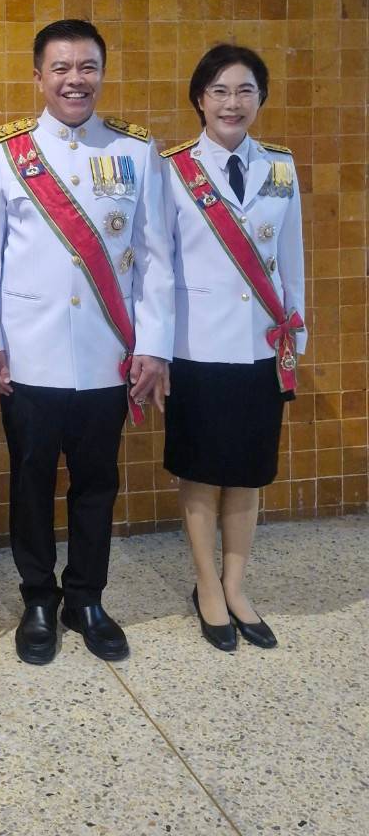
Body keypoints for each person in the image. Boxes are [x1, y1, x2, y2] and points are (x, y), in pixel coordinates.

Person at [0, 20, 174, 665]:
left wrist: (154, 346)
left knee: (97, 482)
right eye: (60, 68)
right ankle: (38, 598)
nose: (75, 80)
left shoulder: (135, 150)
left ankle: (86, 597)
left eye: (87, 67)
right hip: (28, 354)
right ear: (38, 76)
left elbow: (153, 259)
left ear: (102, 73)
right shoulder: (7, 151)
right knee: (31, 480)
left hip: (103, 351)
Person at [161, 44, 305, 651]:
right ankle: (207, 588)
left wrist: (294, 340)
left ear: (260, 99)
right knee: (200, 473)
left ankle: (237, 585)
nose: (232, 103)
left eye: (245, 90)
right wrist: (157, 353)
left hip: (258, 348)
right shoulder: (171, 170)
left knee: (248, 474)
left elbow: (291, 261)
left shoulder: (280, 167)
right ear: (199, 99)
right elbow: (159, 269)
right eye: (219, 91)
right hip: (196, 347)